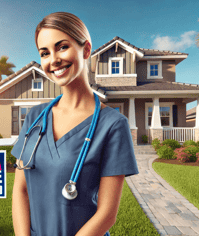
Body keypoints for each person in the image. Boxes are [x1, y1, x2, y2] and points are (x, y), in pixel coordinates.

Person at [11, 12, 139, 236]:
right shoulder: (34, 118)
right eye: (44, 53)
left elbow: (107, 214)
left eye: (62, 47)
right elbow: (21, 191)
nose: (53, 60)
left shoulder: (112, 125)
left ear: (86, 49)